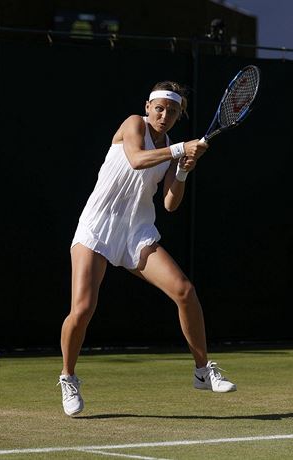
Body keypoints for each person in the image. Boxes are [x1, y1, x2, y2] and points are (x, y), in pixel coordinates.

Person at [58, 81, 236, 417]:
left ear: (178, 114)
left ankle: (202, 371)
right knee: (81, 309)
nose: (164, 115)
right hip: (97, 226)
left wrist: (182, 172)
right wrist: (180, 150)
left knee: (184, 291)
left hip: (137, 231)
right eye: (160, 108)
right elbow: (138, 159)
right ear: (148, 106)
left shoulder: (170, 148)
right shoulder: (133, 124)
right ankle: (68, 376)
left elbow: (170, 204)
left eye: (172, 111)